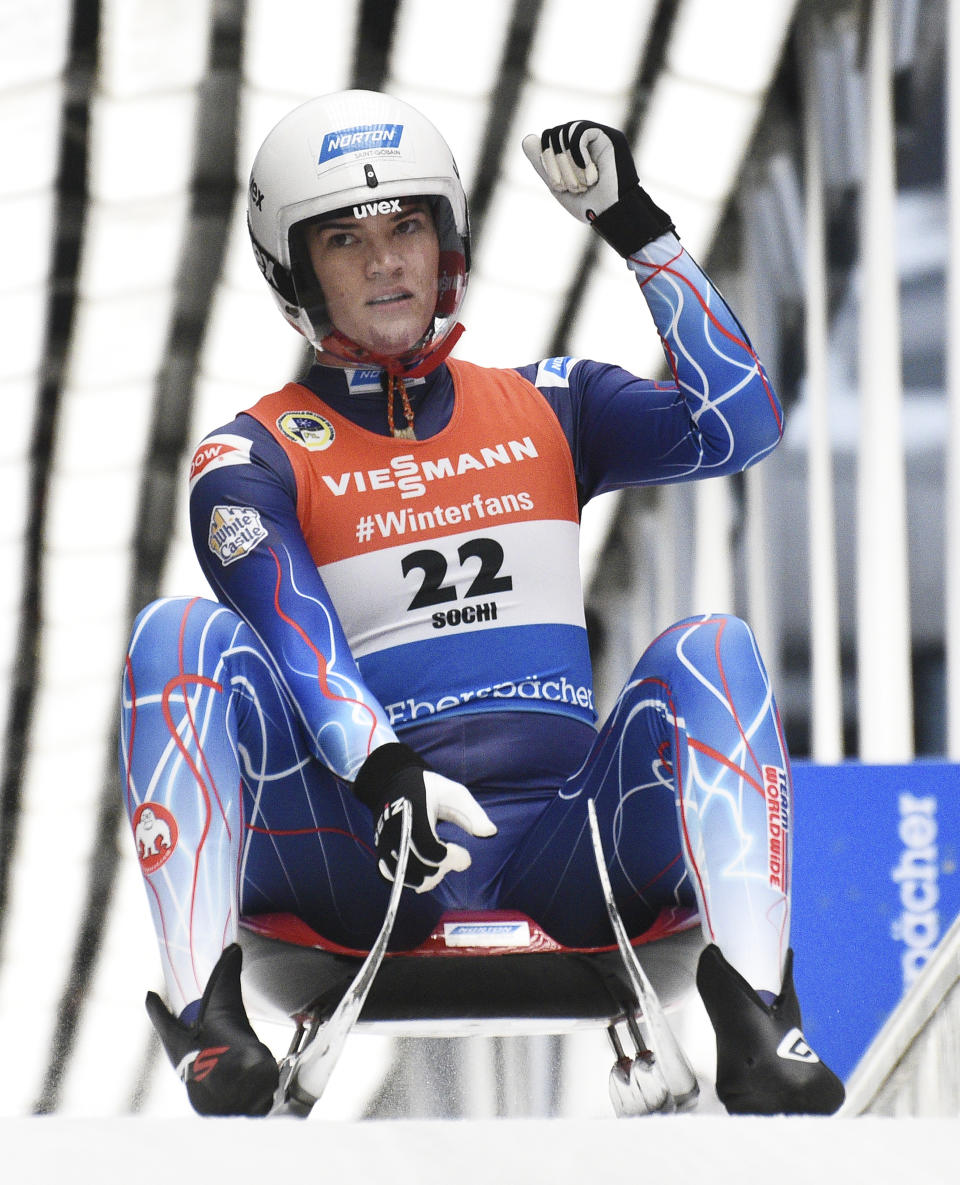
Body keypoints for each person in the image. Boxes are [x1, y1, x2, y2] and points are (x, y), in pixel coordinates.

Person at [120, 89, 845, 1118]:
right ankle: (205, 1020)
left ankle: (761, 1014)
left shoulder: (556, 402)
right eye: (344, 239)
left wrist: (639, 234)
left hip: (570, 841)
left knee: (712, 647)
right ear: (295, 268)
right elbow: (288, 626)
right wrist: (380, 765)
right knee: (175, 637)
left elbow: (739, 429)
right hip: (365, 855)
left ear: (447, 239)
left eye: (407, 226)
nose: (385, 263)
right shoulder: (251, 454)